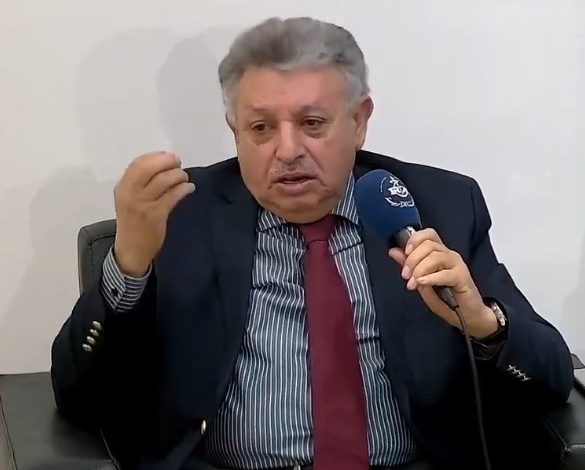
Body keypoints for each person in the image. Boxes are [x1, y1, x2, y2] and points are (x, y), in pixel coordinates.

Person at [51, 17, 573, 470]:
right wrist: (130, 262)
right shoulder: (180, 218)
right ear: (235, 131)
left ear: (359, 121)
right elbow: (76, 398)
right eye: (261, 127)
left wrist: (482, 323)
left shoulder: (440, 206)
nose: (287, 150)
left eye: (312, 123)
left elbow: (551, 377)